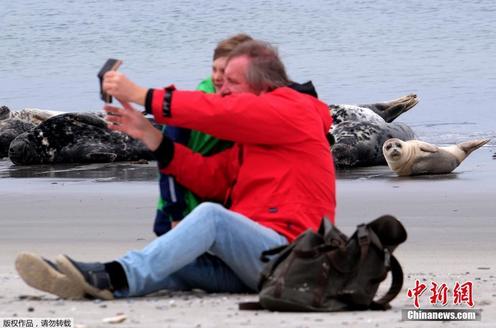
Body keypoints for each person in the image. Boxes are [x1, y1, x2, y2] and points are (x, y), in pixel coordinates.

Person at [15, 39, 336, 300]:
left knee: (211, 217)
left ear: (261, 86)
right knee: (172, 259)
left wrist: (141, 95)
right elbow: (209, 179)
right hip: (257, 264)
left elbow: (220, 111)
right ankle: (97, 280)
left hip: (293, 259)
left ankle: (107, 276)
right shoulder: (251, 142)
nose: (221, 91)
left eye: (231, 83)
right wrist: (152, 137)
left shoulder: (297, 110)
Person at [155, 33, 252, 236]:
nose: (217, 77)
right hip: (179, 206)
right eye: (214, 69)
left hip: (219, 202)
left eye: (224, 71)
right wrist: (176, 214)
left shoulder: (245, 106)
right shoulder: (189, 108)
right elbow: (167, 162)